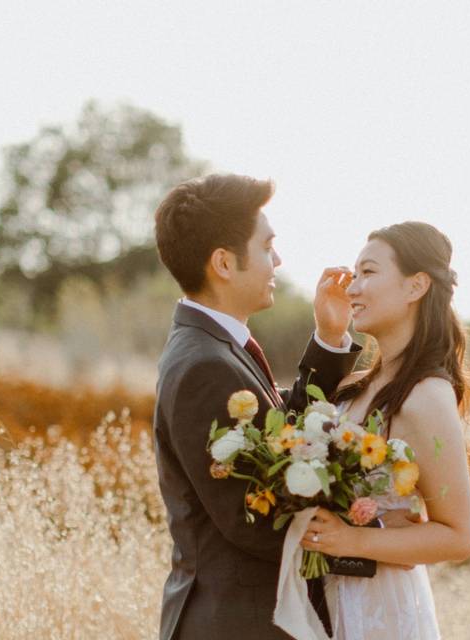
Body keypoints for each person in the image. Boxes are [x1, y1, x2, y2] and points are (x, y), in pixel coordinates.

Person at [152, 173, 362, 640]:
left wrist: (329, 341)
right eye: (267, 246)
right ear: (224, 263)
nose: (278, 260)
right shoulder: (204, 364)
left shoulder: (214, 348)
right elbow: (255, 517)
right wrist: (368, 531)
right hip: (235, 623)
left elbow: (278, 432)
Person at [300, 221, 470, 639]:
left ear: (415, 286)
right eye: (355, 274)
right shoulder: (354, 386)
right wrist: (329, 332)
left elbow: (458, 537)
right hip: (323, 599)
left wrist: (350, 541)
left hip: (379, 611)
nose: (352, 288)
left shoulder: (427, 398)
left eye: (369, 273)